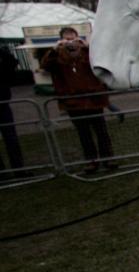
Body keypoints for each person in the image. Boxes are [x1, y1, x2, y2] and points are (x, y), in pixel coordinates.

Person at [39, 27, 117, 173]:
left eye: (73, 39)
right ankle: (91, 161)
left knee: (101, 131)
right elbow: (44, 66)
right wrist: (55, 49)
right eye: (67, 39)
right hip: (73, 101)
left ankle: (108, 158)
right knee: (83, 133)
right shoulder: (57, 56)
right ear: (61, 40)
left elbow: (103, 61)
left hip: (94, 99)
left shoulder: (88, 53)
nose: (71, 42)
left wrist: (89, 47)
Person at [0, 45, 25, 174]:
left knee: (11, 138)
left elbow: (12, 63)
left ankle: (19, 168)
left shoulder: (4, 56)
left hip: (2, 103)